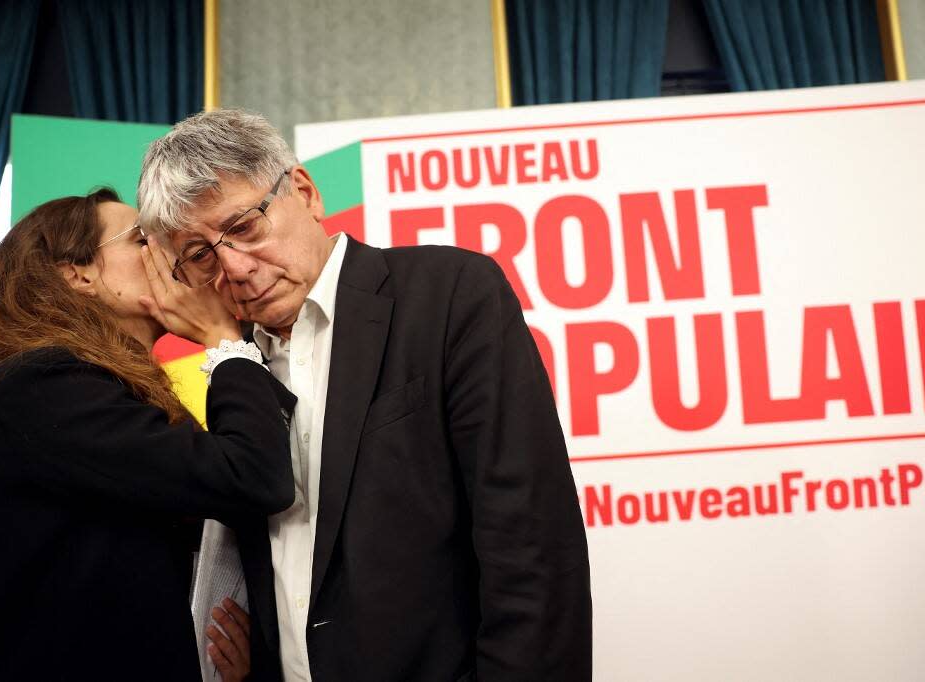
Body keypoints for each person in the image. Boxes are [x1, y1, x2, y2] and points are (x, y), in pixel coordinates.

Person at [138, 110, 592, 682]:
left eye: (245, 226)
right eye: (201, 255)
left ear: (304, 192)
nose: (235, 267)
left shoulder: (449, 294)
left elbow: (533, 549)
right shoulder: (231, 372)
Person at [0, 189, 296, 681]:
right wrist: (222, 339)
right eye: (141, 239)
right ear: (77, 275)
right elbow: (252, 475)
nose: (165, 252)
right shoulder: (42, 384)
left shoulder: (102, 389)